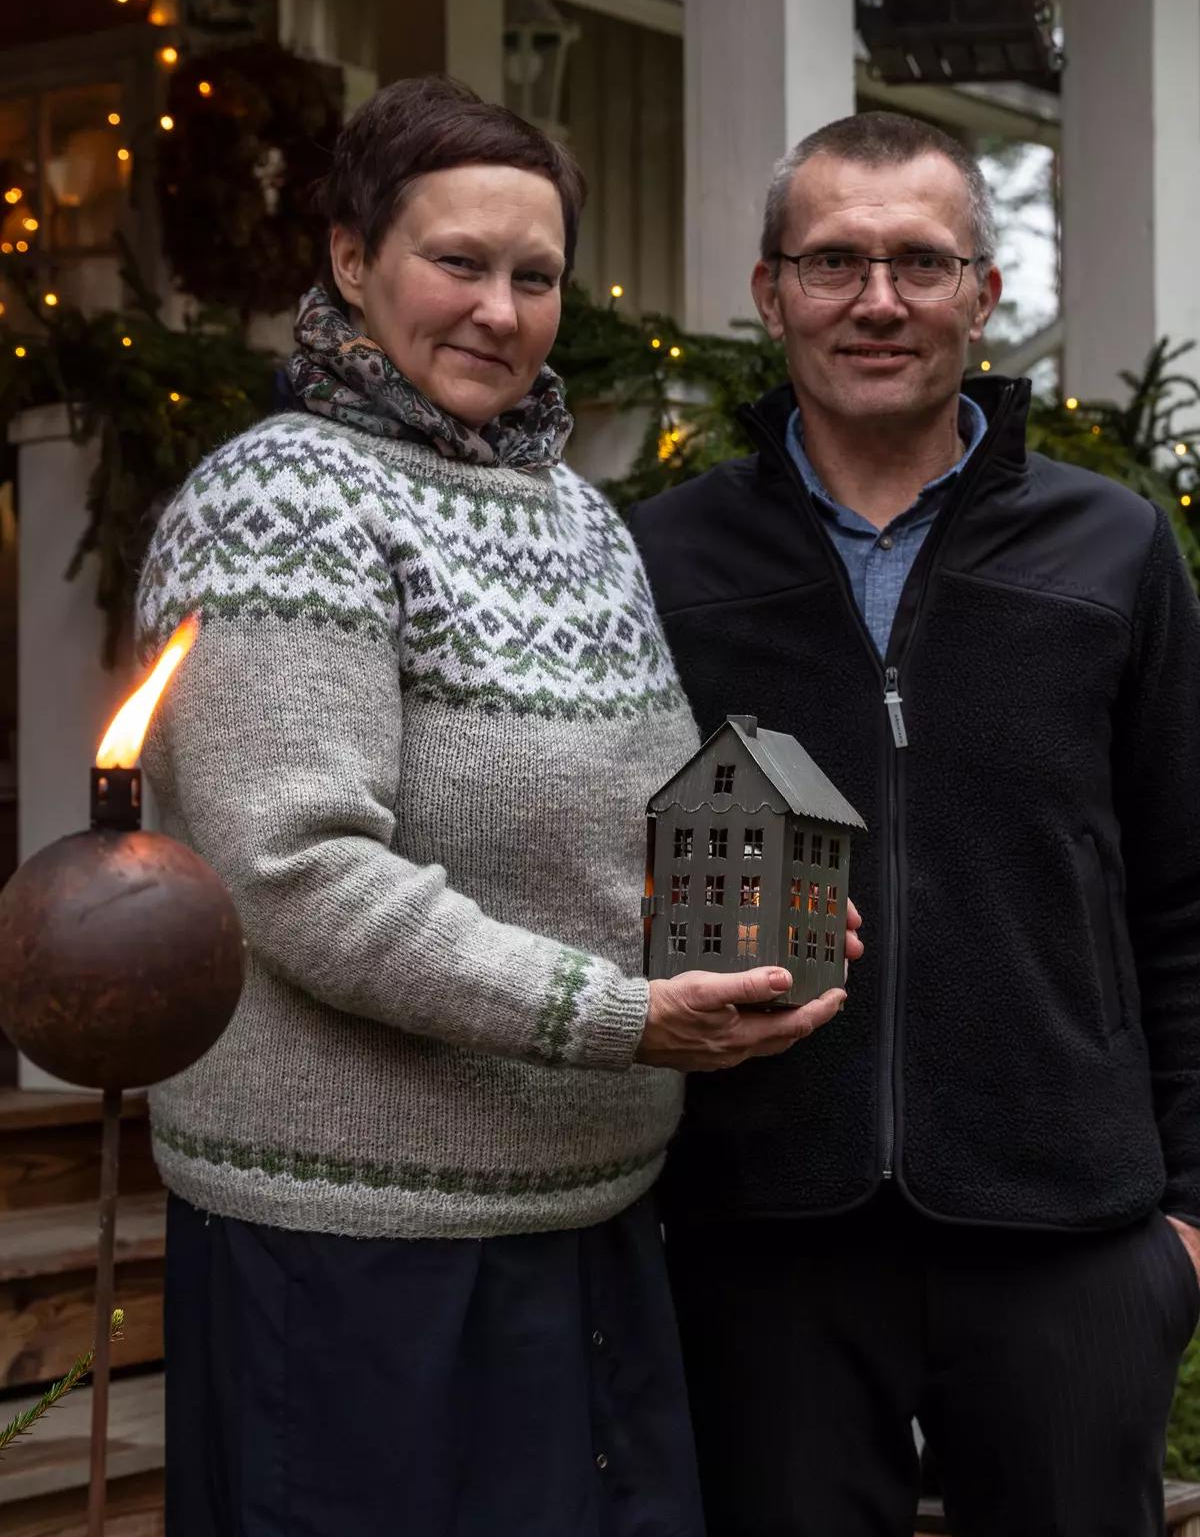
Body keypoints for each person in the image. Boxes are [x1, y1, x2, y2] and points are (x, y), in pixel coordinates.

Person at [135, 76, 856, 1537]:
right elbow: (300, 871)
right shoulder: (282, 496)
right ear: (352, 259)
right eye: (457, 263)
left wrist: (742, 915)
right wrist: (619, 1016)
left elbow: (616, 810)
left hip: (589, 1222)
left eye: (534, 276)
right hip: (358, 1245)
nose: (500, 312)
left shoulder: (578, 513)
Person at [628, 110, 1200, 1537]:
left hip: (1067, 1233)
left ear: (983, 296)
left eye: (920, 262)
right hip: (760, 1234)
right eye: (834, 262)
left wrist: (1184, 1232)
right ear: (772, 293)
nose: (877, 301)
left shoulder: (1112, 548)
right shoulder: (661, 561)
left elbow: (1187, 898)